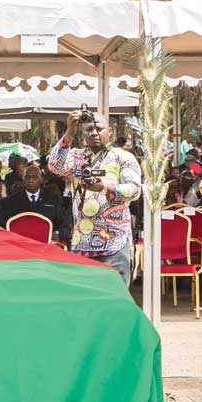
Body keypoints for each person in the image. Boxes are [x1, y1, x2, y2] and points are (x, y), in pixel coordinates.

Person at [47, 109, 143, 280]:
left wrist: (104, 187)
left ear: (110, 131)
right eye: (88, 129)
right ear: (82, 132)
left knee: (116, 298)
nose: (94, 133)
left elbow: (135, 190)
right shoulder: (77, 156)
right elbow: (54, 166)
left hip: (115, 242)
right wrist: (69, 132)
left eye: (99, 128)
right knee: (86, 299)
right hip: (82, 242)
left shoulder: (122, 157)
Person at [0, 163, 72, 240]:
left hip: (46, 245)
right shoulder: (9, 202)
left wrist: (58, 234)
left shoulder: (53, 200)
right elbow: (2, 225)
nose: (31, 180)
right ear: (23, 179)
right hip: (19, 244)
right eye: (28, 177)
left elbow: (64, 223)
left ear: (41, 180)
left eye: (35, 177)